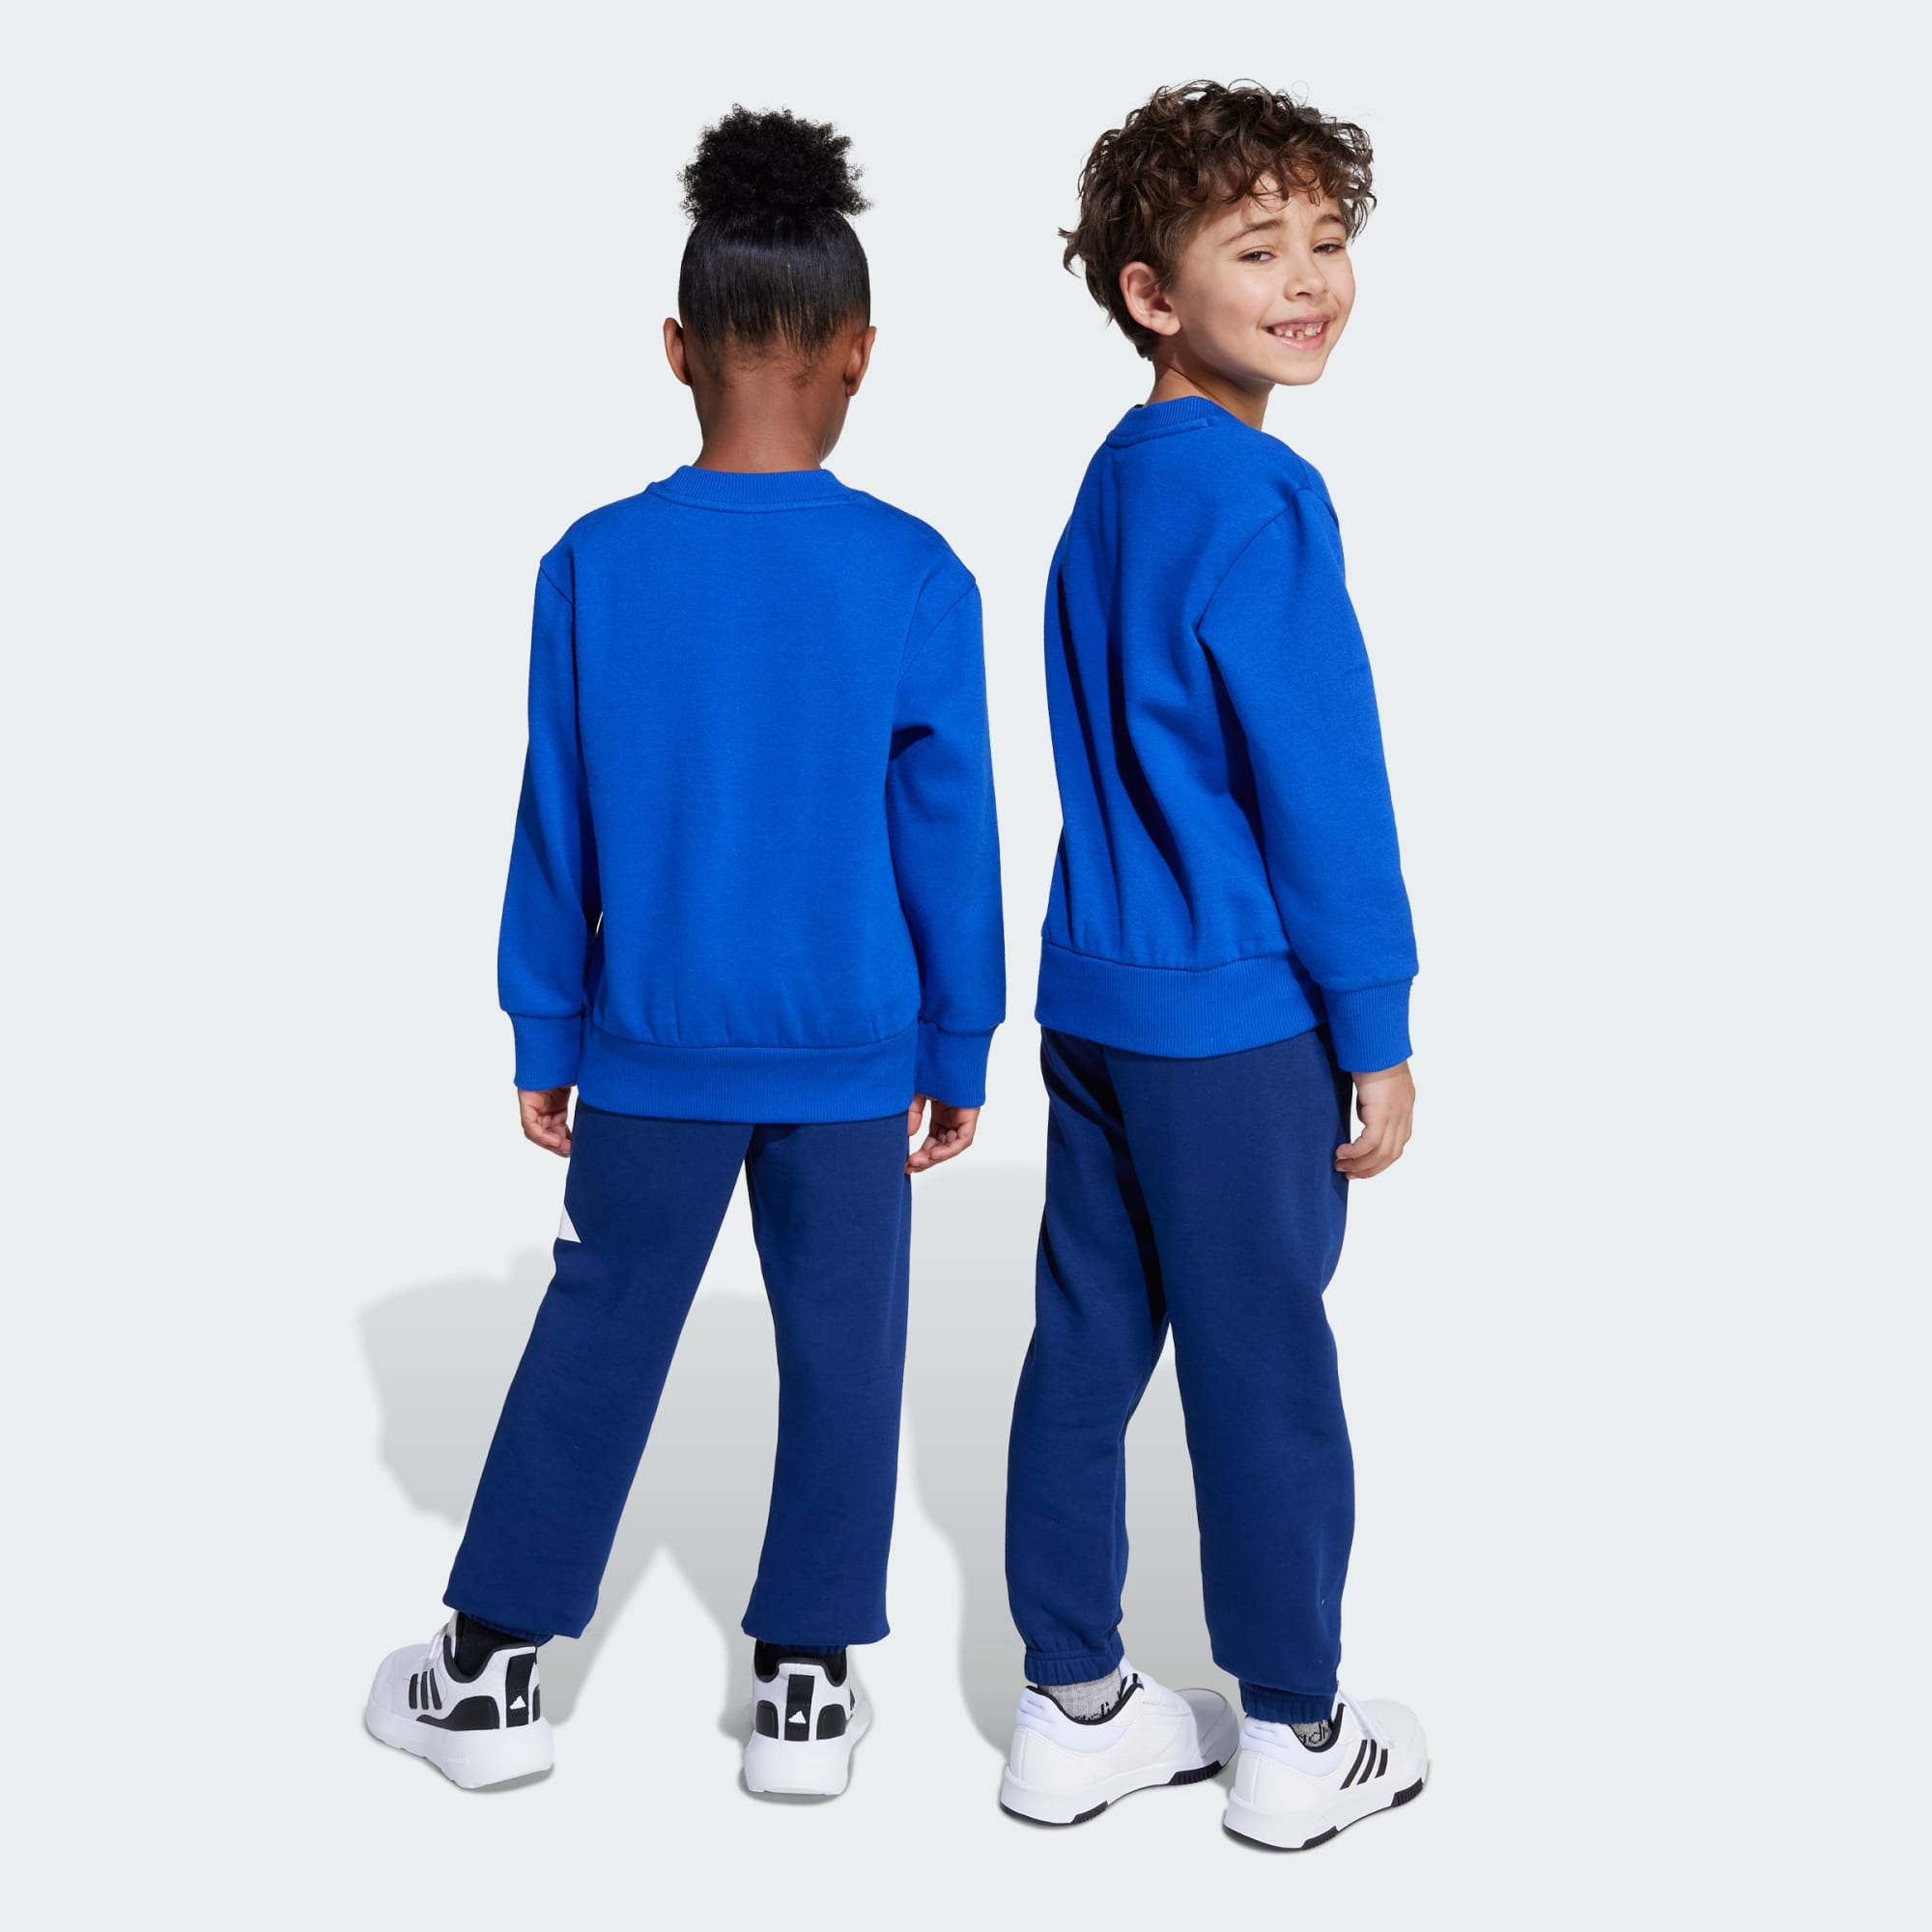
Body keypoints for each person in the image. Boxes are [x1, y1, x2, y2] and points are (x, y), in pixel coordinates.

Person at [364, 105, 1004, 1795]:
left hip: (650, 1043)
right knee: (849, 1351)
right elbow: (950, 833)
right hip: (854, 1052)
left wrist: (545, 1029)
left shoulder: (593, 564)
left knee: (600, 1329)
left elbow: (554, 816)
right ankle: (806, 1695)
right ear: (861, 354)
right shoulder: (917, 574)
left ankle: (488, 1678)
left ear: (676, 348)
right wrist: (956, 1043)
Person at [999, 80, 1426, 1850]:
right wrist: (1375, 1020)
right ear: (1149, 292)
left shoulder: (1109, 487)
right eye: (1257, 248)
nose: (1308, 278)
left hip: (1097, 996)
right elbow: (1323, 787)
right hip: (1237, 1021)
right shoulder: (1264, 498)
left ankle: (1073, 1702)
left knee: (1085, 1344)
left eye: (1328, 240)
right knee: (1264, 1372)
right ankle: (1297, 1734)